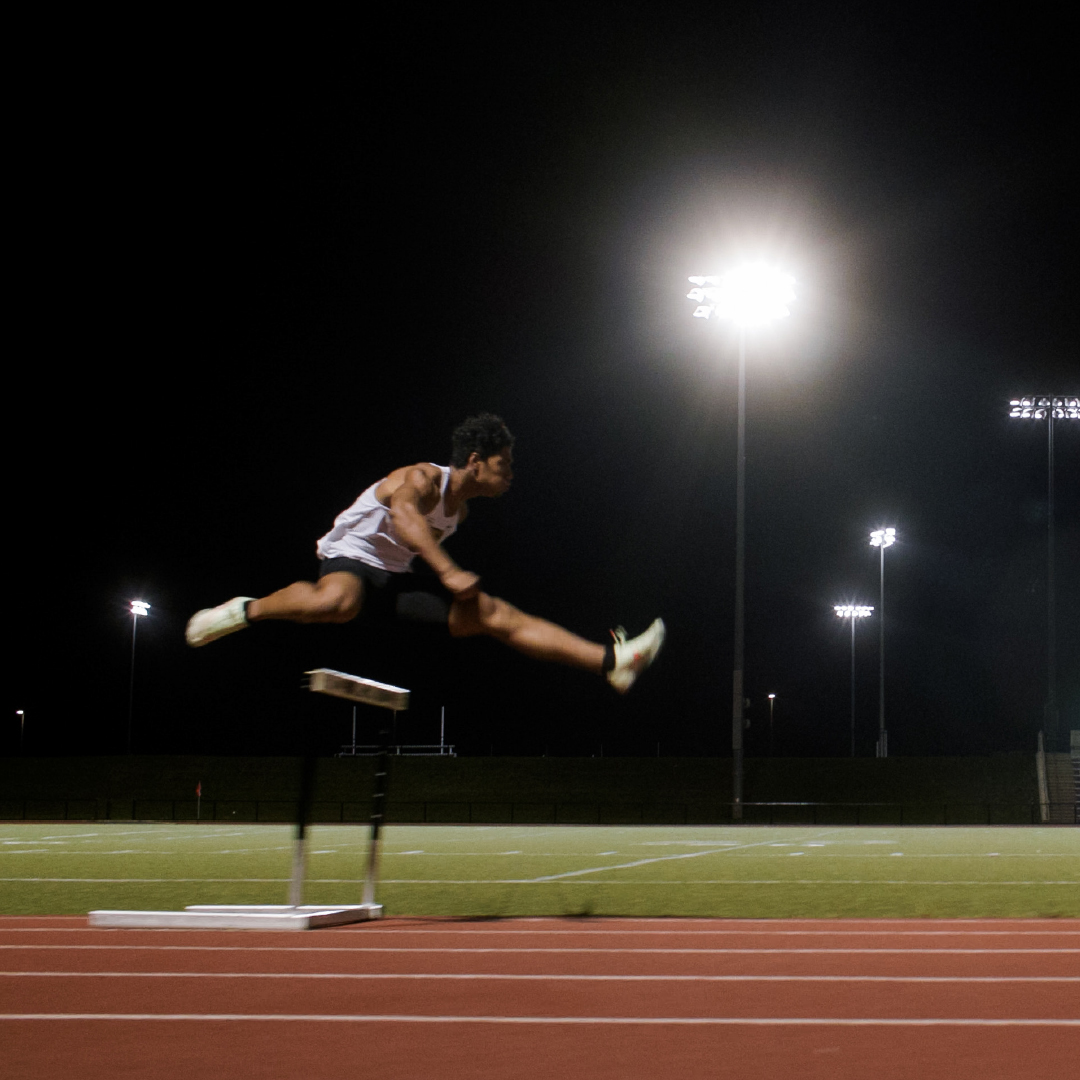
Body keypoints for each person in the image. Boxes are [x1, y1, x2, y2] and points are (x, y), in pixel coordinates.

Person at [185, 413, 665, 692]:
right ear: (475, 463)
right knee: (337, 601)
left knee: (491, 614)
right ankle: (242, 611)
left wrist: (449, 587)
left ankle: (611, 662)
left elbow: (417, 547)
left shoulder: (462, 514)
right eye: (505, 465)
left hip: (393, 584)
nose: (511, 474)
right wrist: (449, 572)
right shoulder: (422, 478)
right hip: (351, 560)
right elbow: (404, 519)